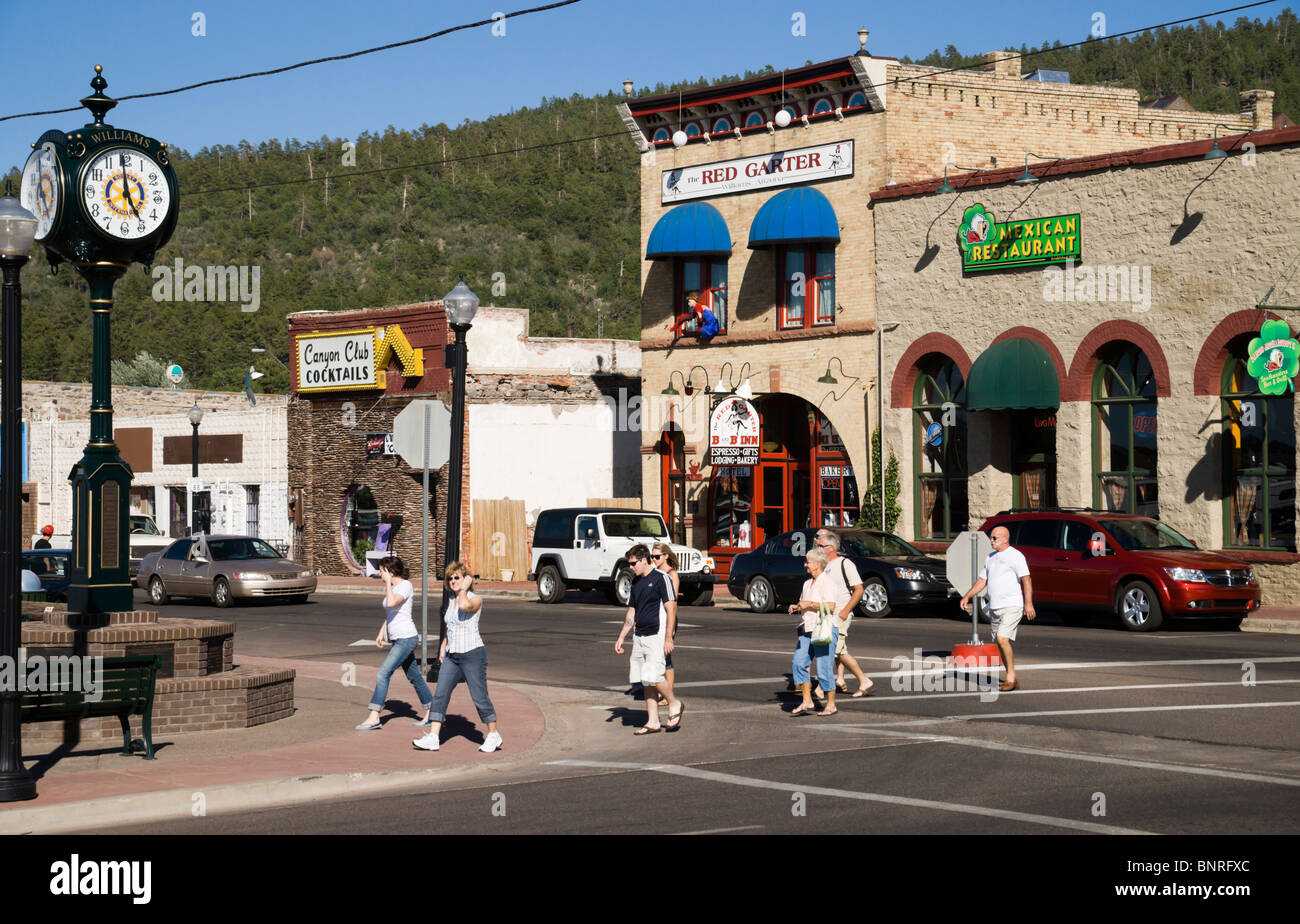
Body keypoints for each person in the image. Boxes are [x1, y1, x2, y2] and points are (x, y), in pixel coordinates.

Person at [414, 562, 503, 752]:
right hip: (452, 656)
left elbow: (465, 606)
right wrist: (443, 647)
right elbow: (450, 626)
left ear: (466, 580)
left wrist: (464, 588)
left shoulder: (475, 599)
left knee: (479, 696)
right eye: (450, 578)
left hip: (473, 655)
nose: (453, 581)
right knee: (440, 694)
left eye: (457, 577)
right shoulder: (450, 601)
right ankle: (433, 737)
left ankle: (494, 734)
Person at [614, 544, 684, 734]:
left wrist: (669, 637)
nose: (631, 567)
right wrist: (622, 637)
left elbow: (672, 608)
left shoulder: (662, 579)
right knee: (645, 681)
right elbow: (632, 611)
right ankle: (652, 721)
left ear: (644, 560)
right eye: (629, 564)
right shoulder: (636, 582)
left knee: (653, 676)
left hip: (657, 635)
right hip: (639, 635)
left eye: (634, 563)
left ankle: (674, 702)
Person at [356, 556, 433, 730]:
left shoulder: (405, 586)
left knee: (383, 674)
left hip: (406, 638)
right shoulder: (394, 587)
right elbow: (392, 613)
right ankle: (432, 712)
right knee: (414, 677)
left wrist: (389, 583)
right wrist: (382, 631)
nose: (380, 574)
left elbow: (391, 603)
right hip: (398, 638)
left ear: (390, 572)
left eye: (382, 571)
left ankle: (374, 716)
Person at [960, 525, 1035, 691]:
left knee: (1002, 639)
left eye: (994, 538)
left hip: (1012, 605)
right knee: (1000, 643)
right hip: (995, 607)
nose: (991, 540)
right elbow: (982, 581)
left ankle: (1010, 678)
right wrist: (967, 596)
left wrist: (1028, 603)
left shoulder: (1016, 556)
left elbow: (1026, 579)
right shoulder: (990, 557)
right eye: (991, 537)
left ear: (1005, 539)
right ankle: (1012, 677)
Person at [816, 529, 873, 697]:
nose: (817, 548)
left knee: (834, 650)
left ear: (831, 548)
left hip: (840, 614)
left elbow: (859, 589)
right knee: (839, 651)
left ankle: (821, 686)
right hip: (828, 615)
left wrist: (845, 611)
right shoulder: (824, 566)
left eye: (820, 546)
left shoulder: (844, 563)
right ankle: (863, 680)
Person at [788, 547, 839, 716]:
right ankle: (807, 701)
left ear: (817, 564)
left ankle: (831, 704)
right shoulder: (806, 583)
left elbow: (831, 607)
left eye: (808, 562)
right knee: (798, 663)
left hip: (824, 629)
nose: (805, 565)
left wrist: (809, 604)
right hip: (806, 629)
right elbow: (804, 603)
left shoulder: (827, 582)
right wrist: (796, 606)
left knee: (824, 668)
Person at [651, 542, 680, 704]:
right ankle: (660, 691)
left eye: (657, 557)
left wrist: (671, 628)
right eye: (652, 557)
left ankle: (668, 696)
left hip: (668, 618)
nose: (654, 559)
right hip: (655, 618)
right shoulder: (655, 573)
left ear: (666, 556)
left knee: (666, 657)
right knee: (656, 656)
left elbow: (672, 602)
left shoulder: (671, 574)